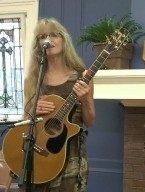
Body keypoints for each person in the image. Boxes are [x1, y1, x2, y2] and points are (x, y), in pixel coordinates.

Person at [22, 17, 95, 191]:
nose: (48, 40)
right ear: (39, 44)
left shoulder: (82, 76)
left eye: (54, 34)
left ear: (64, 40)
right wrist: (31, 111)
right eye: (42, 36)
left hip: (71, 154)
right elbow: (24, 123)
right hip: (39, 155)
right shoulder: (32, 80)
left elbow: (90, 121)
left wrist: (85, 99)